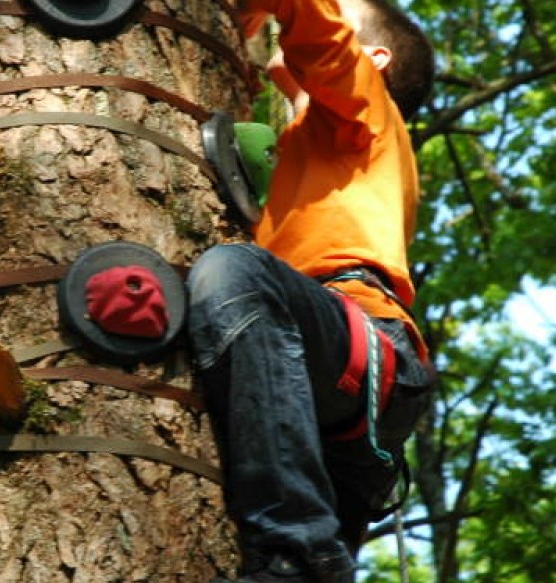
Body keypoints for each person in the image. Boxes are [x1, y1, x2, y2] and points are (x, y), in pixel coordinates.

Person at [186, 0, 437, 581]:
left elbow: (316, 34)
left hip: (361, 341)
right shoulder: (304, 148)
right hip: (317, 381)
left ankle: (300, 549)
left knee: (234, 274)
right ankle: (301, 555)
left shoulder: (371, 118)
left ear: (372, 60)